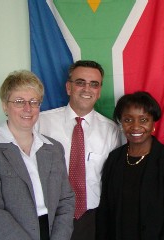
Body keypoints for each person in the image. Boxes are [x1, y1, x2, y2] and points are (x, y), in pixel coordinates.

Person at [0, 70, 75, 240]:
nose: (27, 108)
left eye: (34, 102)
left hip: (51, 233)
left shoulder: (54, 148)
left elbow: (65, 200)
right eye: (19, 101)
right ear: (4, 106)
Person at [36, 60, 121, 240]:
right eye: (80, 82)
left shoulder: (111, 130)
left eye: (94, 84)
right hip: (50, 215)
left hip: (91, 218)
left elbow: (113, 179)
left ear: (99, 91)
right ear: (68, 87)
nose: (87, 89)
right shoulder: (41, 123)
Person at [96, 91, 164, 240]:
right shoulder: (114, 158)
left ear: (153, 123)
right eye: (128, 120)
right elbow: (105, 209)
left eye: (143, 120)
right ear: (121, 123)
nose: (135, 126)